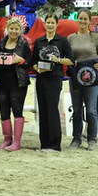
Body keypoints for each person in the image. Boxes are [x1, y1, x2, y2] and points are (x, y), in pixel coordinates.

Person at [32, 14, 73, 152]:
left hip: (54, 79)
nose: (49, 25)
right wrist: (36, 68)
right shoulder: (39, 41)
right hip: (41, 79)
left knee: (52, 110)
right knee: (42, 111)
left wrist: (58, 60)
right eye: (47, 22)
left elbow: (71, 60)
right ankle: (44, 144)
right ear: (45, 24)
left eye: (52, 23)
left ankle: (55, 145)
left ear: (56, 24)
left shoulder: (62, 41)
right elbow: (32, 61)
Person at [67, 9, 98, 151]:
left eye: (85, 19)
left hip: (93, 78)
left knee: (91, 110)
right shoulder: (70, 38)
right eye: (80, 18)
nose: (83, 21)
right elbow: (68, 57)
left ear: (89, 21)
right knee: (77, 109)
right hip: (76, 78)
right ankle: (76, 139)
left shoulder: (95, 37)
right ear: (77, 20)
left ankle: (92, 139)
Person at [0, 17, 31, 151]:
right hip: (3, 81)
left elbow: (29, 62)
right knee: (4, 111)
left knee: (17, 110)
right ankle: (7, 139)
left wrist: (21, 60)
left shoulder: (23, 44)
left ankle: (17, 142)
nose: (14, 31)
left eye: (16, 29)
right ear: (7, 29)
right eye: (12, 28)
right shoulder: (1, 43)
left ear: (20, 30)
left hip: (18, 82)